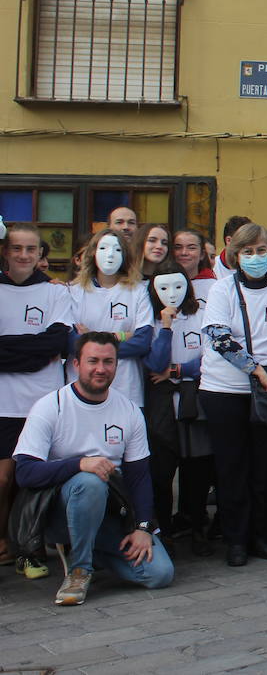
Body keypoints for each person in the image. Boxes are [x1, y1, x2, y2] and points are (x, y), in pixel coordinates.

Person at [14, 331, 174, 605]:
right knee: (89, 481)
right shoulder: (50, 407)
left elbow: (138, 478)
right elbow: (25, 473)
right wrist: (78, 464)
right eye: (93, 361)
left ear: (116, 365)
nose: (101, 369)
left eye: (108, 362)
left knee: (160, 574)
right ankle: (80, 569)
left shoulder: (129, 410)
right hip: (57, 517)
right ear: (76, 364)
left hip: (109, 514)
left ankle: (92, 550)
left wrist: (144, 528)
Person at [201, 223, 267, 566]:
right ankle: (236, 539)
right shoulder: (222, 291)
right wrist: (258, 371)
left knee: (264, 468)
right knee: (232, 467)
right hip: (226, 390)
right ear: (236, 256)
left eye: (262, 251)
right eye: (248, 252)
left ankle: (262, 534)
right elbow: (219, 338)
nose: (256, 258)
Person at [0, 224, 74, 574]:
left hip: (41, 402)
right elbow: (39, 348)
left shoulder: (55, 293)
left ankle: (29, 546)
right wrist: (32, 353)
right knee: (2, 480)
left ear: (40, 255)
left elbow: (56, 344)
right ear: (5, 251)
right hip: (2, 403)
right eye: (17, 248)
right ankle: (4, 541)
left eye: (31, 249)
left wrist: (11, 349)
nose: (24, 255)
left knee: (32, 478)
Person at [142, 263, 214, 557]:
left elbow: (207, 358)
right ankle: (164, 532)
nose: (171, 294)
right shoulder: (150, 320)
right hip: (160, 403)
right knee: (161, 471)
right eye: (163, 288)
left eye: (177, 286)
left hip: (193, 399)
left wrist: (177, 370)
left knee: (197, 469)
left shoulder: (200, 314)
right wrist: (167, 327)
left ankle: (196, 526)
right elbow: (154, 363)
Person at [69, 230, 155, 411]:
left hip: (126, 386)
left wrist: (91, 340)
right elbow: (71, 342)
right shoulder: (74, 292)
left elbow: (142, 342)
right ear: (93, 253)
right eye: (103, 248)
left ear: (125, 256)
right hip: (80, 387)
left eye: (117, 250)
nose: (110, 255)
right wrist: (121, 337)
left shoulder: (138, 291)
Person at [213, 216, 253, 281]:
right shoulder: (212, 267)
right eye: (244, 240)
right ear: (229, 240)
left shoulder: (255, 267)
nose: (249, 245)